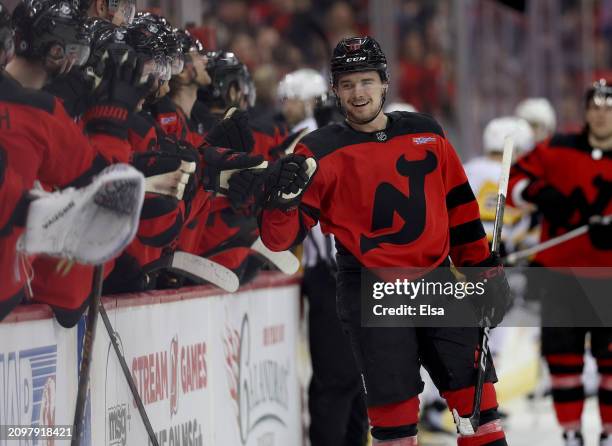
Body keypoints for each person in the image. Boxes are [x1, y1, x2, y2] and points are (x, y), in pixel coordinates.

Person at [254, 36, 511, 445]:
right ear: (335, 91)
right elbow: (279, 237)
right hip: (371, 288)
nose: (359, 92)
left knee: (479, 404)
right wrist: (280, 202)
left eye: (367, 81)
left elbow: (460, 211)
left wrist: (486, 274)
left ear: (384, 84)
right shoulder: (317, 151)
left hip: (435, 280)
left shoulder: (426, 133)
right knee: (395, 420)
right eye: (349, 83)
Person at [2, 0, 145, 325]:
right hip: (16, 288)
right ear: (57, 52)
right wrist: (110, 125)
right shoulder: (41, 112)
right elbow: (106, 190)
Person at [508, 79, 612, 446]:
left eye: (608, 107)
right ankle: (570, 432)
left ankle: (608, 433)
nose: (601, 114)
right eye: (594, 107)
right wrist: (538, 193)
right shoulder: (557, 148)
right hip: (559, 276)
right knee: (563, 358)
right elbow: (514, 177)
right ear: (585, 111)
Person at [276, 67, 368, 445]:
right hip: (358, 270)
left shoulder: (307, 141)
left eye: (292, 98)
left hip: (331, 273)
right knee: (356, 378)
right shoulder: (348, 137)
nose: (286, 106)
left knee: (335, 379)